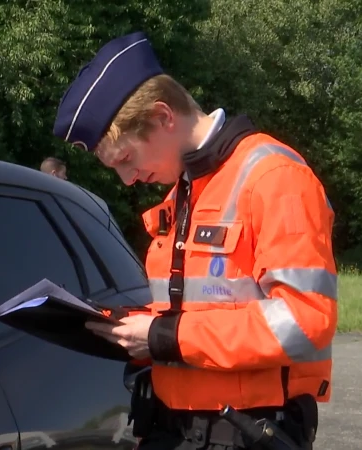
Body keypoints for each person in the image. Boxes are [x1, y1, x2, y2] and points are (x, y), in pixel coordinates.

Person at [52, 31, 337, 450]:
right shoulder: (185, 189)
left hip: (246, 430)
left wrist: (164, 336)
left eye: (126, 159)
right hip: (173, 428)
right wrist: (127, 327)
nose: (127, 180)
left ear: (163, 116)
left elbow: (305, 322)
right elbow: (199, 308)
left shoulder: (275, 177)